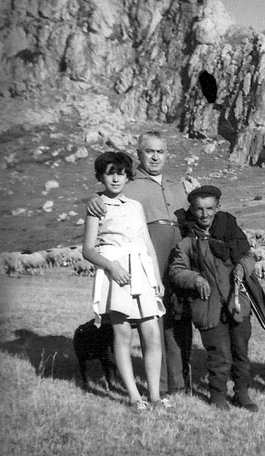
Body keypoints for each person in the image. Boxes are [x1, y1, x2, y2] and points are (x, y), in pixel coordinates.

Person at [87, 132, 191, 397]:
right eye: (149, 151)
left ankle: (178, 383)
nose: (155, 156)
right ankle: (157, 388)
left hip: (171, 255)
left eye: (160, 151)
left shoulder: (177, 186)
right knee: (142, 325)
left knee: (177, 318)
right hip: (135, 258)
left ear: (167, 154)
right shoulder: (129, 185)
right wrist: (92, 200)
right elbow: (105, 198)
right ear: (139, 153)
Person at [82, 151, 166, 410]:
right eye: (110, 173)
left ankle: (154, 396)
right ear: (100, 176)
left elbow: (147, 244)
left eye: (120, 173)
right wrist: (112, 267)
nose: (116, 179)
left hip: (141, 271)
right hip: (115, 273)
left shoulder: (135, 206)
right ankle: (133, 396)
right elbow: (88, 249)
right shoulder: (96, 206)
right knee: (122, 335)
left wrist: (156, 278)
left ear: (127, 175)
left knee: (152, 335)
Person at [168, 186, 259, 411]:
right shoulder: (188, 242)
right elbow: (176, 270)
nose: (205, 214)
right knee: (218, 354)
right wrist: (195, 278)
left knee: (240, 351)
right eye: (199, 209)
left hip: (236, 302)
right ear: (193, 210)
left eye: (209, 208)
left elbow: (248, 256)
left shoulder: (230, 231)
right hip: (208, 306)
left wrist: (242, 267)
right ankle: (218, 394)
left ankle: (241, 392)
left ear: (217, 207)